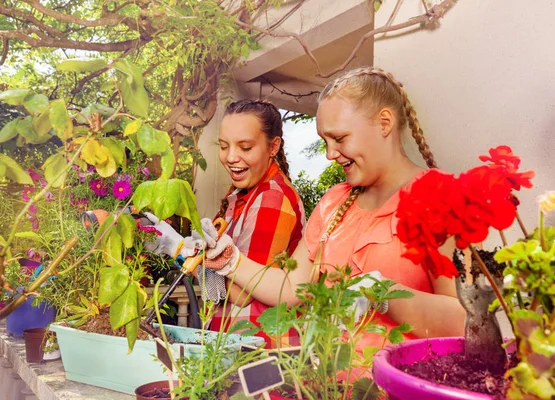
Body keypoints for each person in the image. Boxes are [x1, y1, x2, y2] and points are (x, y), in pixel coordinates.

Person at [202, 67, 465, 350]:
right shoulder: (333, 202)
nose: (329, 154)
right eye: (325, 142)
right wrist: (230, 260)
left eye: (339, 139)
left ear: (384, 123)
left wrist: (384, 294)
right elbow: (292, 288)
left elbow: (465, 322)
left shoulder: (439, 197)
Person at [148, 99, 305, 346]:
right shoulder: (243, 195)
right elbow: (219, 284)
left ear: (273, 146)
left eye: (245, 147)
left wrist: (179, 249)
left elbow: (239, 293)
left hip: (261, 349)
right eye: (223, 146)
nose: (231, 157)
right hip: (237, 341)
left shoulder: (271, 198)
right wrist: (187, 252)